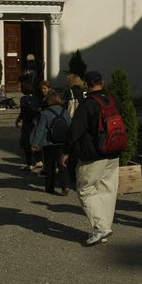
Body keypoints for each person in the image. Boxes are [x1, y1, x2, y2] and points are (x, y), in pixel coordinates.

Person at [61, 70, 120, 246]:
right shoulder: (112, 99)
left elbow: (75, 130)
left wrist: (66, 151)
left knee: (85, 189)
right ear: (102, 82)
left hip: (93, 154)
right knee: (107, 190)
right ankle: (104, 228)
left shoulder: (88, 104)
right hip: (113, 151)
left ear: (86, 84)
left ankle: (101, 228)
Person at [30, 90, 72, 195]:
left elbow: (40, 129)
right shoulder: (65, 112)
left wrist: (35, 143)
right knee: (62, 164)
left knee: (50, 166)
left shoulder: (45, 113)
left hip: (49, 142)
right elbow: (70, 127)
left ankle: (50, 188)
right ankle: (65, 186)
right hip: (63, 142)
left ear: (49, 101)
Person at [62, 73, 87, 189]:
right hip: (84, 123)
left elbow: (64, 107)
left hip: (72, 122)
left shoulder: (69, 92)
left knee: (70, 152)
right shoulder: (85, 92)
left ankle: (71, 178)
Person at [15, 80, 41, 171]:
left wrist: (18, 119)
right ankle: (39, 160)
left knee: (26, 143)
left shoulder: (24, 99)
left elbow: (24, 111)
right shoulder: (36, 98)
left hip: (28, 123)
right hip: (36, 123)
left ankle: (30, 164)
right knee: (35, 141)